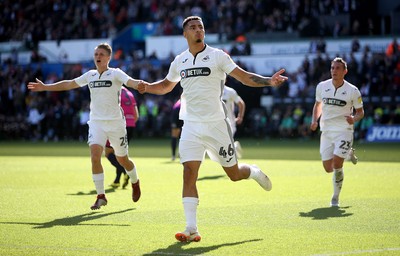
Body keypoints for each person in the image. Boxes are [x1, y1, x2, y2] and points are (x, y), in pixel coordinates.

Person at [137, 16, 287, 242]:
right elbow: (166, 85)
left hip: (217, 125)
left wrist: (268, 81)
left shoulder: (218, 56)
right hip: (191, 126)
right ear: (185, 34)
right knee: (189, 173)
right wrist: (147, 87)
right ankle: (191, 228)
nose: (198, 30)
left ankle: (253, 171)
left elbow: (244, 77)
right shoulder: (180, 61)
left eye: (201, 27)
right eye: (193, 27)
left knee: (234, 175)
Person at [27, 42, 142, 210]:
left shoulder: (115, 74)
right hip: (96, 123)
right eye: (96, 54)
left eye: (101, 54)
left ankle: (135, 181)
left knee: (122, 159)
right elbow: (68, 84)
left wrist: (141, 85)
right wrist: (46, 87)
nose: (98, 57)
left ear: (109, 57)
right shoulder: (90, 75)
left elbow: (131, 82)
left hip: (116, 123)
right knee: (95, 156)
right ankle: (101, 196)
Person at [310, 57, 364, 207]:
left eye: (338, 68)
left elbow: (360, 112)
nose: (334, 71)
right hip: (326, 131)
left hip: (344, 131)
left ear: (345, 71)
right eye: (332, 68)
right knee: (328, 168)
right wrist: (314, 120)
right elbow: (318, 105)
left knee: (337, 163)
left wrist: (354, 118)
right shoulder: (322, 86)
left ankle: (335, 198)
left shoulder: (353, 90)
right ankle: (348, 153)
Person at [108, 86, 139, 189]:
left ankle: (126, 171)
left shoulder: (113, 91)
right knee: (120, 154)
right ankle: (117, 181)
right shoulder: (130, 94)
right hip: (131, 125)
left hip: (118, 125)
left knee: (108, 152)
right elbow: (136, 115)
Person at [222, 85, 245, 158]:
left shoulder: (230, 91)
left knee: (225, 144)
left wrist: (240, 116)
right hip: (216, 123)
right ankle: (234, 147)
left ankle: (233, 149)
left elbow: (241, 103)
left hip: (230, 123)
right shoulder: (212, 91)